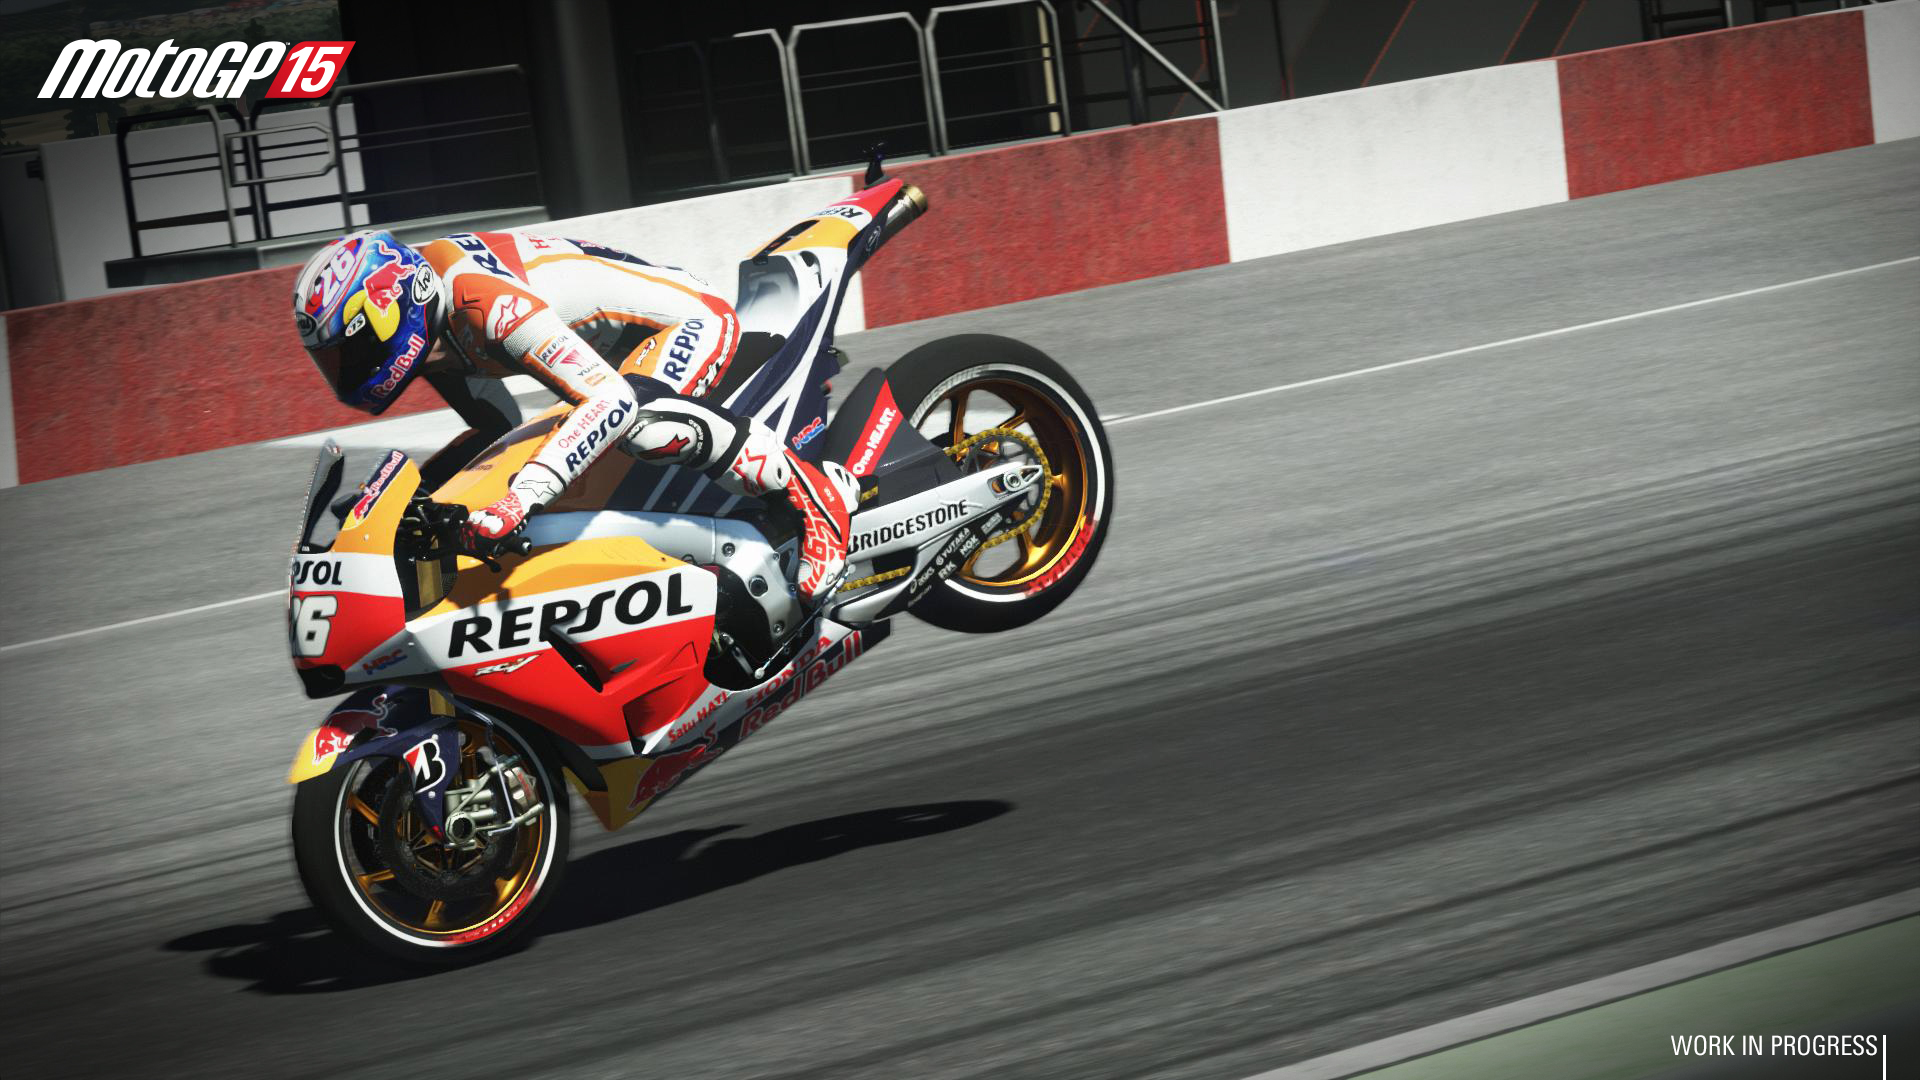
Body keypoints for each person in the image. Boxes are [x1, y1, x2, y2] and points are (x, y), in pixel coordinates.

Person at [291, 228, 853, 605]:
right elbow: (495, 432)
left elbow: (612, 401)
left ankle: (815, 500)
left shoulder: (485, 306)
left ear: (391, 309)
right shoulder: (436, 330)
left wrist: (517, 501)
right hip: (618, 358)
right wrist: (404, 503)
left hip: (688, 323)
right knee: (562, 455)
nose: (347, 370)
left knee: (641, 424)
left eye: (351, 350)